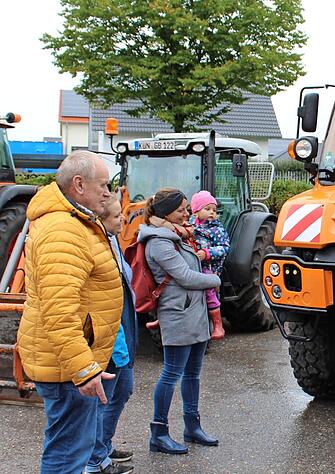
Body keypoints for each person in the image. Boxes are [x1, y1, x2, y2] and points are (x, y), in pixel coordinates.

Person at [16, 150, 123, 474]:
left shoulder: (74, 221)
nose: (107, 193)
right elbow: (59, 310)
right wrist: (84, 369)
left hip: (67, 361)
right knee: (67, 454)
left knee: (69, 447)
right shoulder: (64, 229)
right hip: (67, 367)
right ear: (79, 184)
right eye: (103, 185)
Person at [138, 188, 222, 455]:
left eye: (186, 208)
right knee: (171, 373)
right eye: (181, 210)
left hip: (194, 313)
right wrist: (215, 280)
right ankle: (159, 433)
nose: (187, 213)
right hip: (178, 314)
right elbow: (185, 276)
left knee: (193, 373)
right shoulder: (159, 242)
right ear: (166, 213)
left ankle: (192, 427)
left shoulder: (180, 234)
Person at [85, 195, 138, 474]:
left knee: (123, 390)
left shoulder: (114, 241)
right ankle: (95, 461)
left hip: (123, 328)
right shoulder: (95, 247)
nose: (124, 219)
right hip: (109, 334)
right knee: (102, 399)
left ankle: (102, 445)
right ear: (101, 220)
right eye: (117, 216)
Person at [189, 190, 230, 340]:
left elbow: (224, 247)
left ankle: (218, 325)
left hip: (209, 267)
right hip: (192, 264)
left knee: (208, 291)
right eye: (207, 209)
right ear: (196, 211)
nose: (212, 212)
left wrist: (207, 253)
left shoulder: (217, 230)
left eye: (214, 210)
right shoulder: (189, 226)